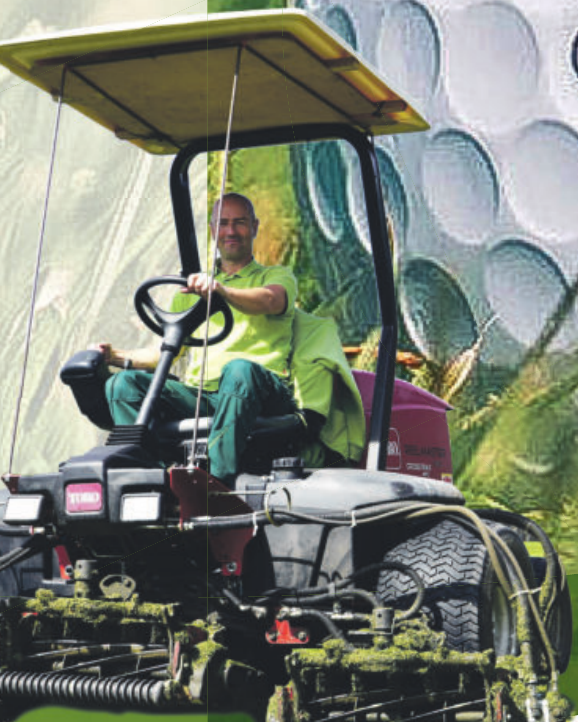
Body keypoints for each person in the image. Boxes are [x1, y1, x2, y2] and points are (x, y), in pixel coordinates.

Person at [98, 193, 298, 487]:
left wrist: (223, 292)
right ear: (212, 229)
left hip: (262, 393)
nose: (231, 231)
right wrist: (115, 356)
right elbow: (163, 355)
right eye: (223, 223)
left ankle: (212, 481)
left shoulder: (276, 277)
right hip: (204, 396)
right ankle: (153, 479)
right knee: (121, 384)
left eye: (240, 223)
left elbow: (270, 300)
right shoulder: (191, 292)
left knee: (239, 370)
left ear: (254, 227)